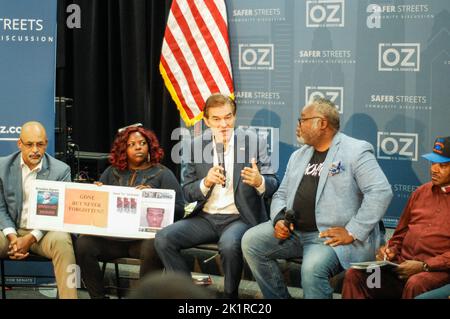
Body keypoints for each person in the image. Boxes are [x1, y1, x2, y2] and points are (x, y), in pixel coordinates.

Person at [241, 98, 393, 299]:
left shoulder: (355, 151)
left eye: (303, 119)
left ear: (322, 123)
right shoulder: (299, 155)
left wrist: (353, 231)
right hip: (294, 232)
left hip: (326, 238)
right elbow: (281, 194)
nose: (298, 125)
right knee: (251, 242)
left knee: (312, 270)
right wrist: (279, 219)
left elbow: (381, 192)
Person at [155, 93, 279, 299]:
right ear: (206, 121)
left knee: (229, 245)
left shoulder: (253, 142)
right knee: (163, 239)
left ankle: (230, 297)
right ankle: (187, 294)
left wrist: (260, 181)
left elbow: (274, 183)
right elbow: (187, 190)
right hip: (205, 217)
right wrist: (206, 183)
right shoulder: (194, 146)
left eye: (228, 117)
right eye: (217, 119)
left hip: (240, 217)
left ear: (235, 117)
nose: (224, 124)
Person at [76, 125, 185, 299]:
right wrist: (98, 193)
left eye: (142, 143)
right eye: (132, 144)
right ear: (123, 149)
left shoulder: (164, 174)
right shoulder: (111, 172)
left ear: (149, 147)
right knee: (83, 244)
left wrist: (155, 197)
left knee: (154, 245)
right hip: (112, 240)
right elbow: (99, 209)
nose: (138, 147)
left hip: (142, 242)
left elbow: (180, 210)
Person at [342, 136, 450, 299]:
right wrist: (390, 250)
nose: (434, 169)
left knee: (416, 283)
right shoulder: (420, 192)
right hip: (399, 269)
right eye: (433, 163)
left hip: (435, 273)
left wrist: (424, 266)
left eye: (443, 165)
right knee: (358, 276)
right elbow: (400, 234)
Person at [0, 121, 77, 299]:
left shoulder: (61, 171)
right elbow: (0, 207)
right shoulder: (2, 167)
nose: (35, 149)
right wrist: (13, 237)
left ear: (46, 144)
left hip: (43, 233)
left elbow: (58, 213)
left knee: (62, 240)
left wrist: (30, 238)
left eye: (40, 144)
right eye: (29, 144)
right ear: (20, 144)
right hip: (9, 231)